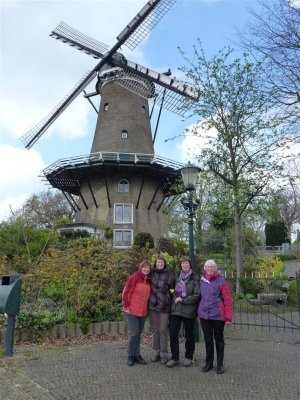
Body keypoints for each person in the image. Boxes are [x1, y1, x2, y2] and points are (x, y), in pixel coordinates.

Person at [198, 259, 233, 374]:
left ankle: (220, 364)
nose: (210, 269)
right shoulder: (201, 280)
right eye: (208, 267)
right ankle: (209, 363)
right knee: (208, 340)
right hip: (204, 316)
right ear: (205, 268)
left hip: (218, 316)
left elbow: (227, 299)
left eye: (212, 267)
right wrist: (199, 313)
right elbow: (200, 298)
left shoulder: (221, 280)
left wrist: (228, 317)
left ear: (215, 268)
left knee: (219, 340)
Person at [166, 255, 200, 368]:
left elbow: (197, 295)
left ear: (190, 264)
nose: (184, 265)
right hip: (176, 310)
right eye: (182, 263)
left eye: (186, 263)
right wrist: (174, 296)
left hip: (189, 311)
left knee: (189, 335)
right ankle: (174, 357)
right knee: (173, 334)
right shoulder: (177, 277)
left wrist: (183, 300)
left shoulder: (195, 278)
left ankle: (188, 357)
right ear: (180, 265)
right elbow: (171, 290)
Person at [122, 259, 151, 366]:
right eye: (144, 267)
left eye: (148, 267)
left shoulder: (148, 280)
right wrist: (126, 306)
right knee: (134, 333)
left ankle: (137, 355)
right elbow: (125, 292)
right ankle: (130, 355)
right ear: (140, 268)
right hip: (131, 311)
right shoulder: (134, 278)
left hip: (142, 311)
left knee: (138, 333)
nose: (146, 269)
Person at [149, 255, 175, 364]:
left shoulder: (169, 275)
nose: (160, 264)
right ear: (155, 264)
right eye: (158, 262)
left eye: (162, 263)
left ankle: (164, 354)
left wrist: (169, 300)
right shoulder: (151, 274)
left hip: (164, 307)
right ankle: (156, 352)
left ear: (164, 264)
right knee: (155, 330)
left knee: (163, 330)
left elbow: (172, 290)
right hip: (152, 307)